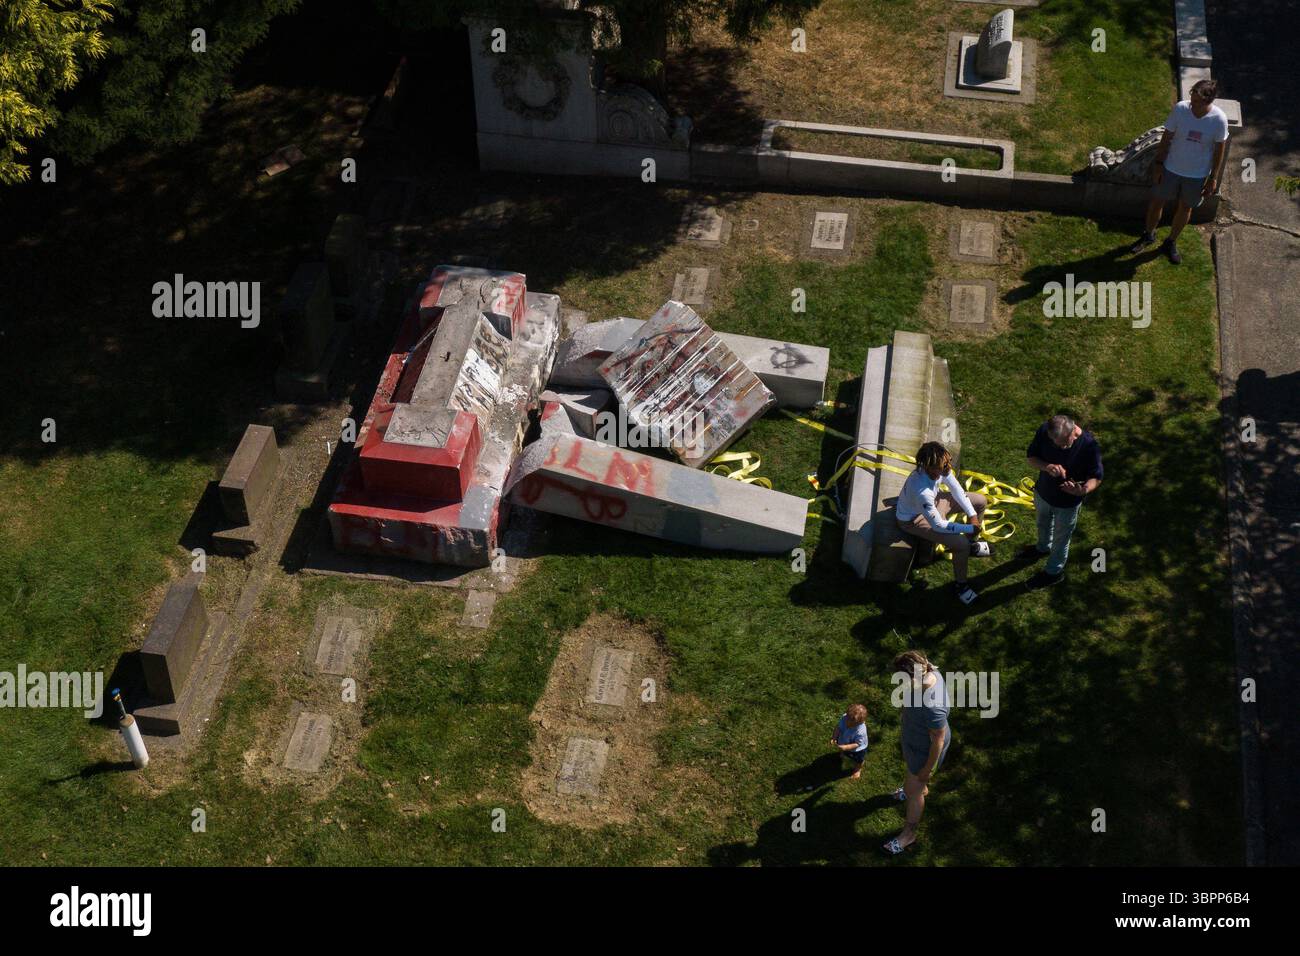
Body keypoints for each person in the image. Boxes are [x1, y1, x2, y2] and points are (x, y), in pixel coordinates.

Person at [1130, 78, 1230, 265]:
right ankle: (1149, 234)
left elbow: (1219, 150)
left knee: (1185, 207)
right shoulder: (1181, 109)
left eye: (1197, 102)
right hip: (1170, 168)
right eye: (1191, 99)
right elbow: (1166, 137)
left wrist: (1213, 178)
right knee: (1157, 201)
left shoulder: (1218, 120)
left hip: (1197, 174)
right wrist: (1159, 164)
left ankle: (1171, 242)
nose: (1192, 105)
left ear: (1209, 102)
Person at [895, 441, 991, 605]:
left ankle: (971, 544)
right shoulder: (923, 491)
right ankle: (960, 585)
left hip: (934, 504)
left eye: (949, 460)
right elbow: (938, 525)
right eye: (945, 465)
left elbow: (956, 489)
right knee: (960, 543)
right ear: (930, 468)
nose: (949, 466)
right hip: (914, 519)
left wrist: (973, 515)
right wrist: (969, 527)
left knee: (980, 501)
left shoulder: (939, 469)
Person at [1022, 414, 1104, 588]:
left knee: (1061, 539)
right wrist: (1046, 466)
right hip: (1043, 493)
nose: (1062, 448)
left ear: (1074, 430)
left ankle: (1053, 572)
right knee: (1042, 524)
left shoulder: (1089, 446)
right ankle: (1042, 548)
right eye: (1056, 444)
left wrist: (1082, 490)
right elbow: (1031, 457)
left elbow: (1096, 477)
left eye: (1066, 443)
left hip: (1068, 504)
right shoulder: (1046, 431)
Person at [883, 650, 950, 856]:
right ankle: (917, 788)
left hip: (925, 749)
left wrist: (927, 770)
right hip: (915, 737)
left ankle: (908, 834)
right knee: (914, 783)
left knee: (915, 788)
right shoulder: (928, 670)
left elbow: (937, 739)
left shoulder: (933, 705)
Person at [830, 703, 869, 780]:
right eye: (847, 720)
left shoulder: (861, 731)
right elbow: (838, 727)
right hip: (845, 740)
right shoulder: (845, 718)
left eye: (852, 723)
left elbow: (858, 743)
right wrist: (834, 737)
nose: (847, 723)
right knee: (844, 751)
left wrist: (846, 747)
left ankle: (857, 769)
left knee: (858, 760)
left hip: (857, 749)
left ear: (859, 723)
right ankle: (843, 753)